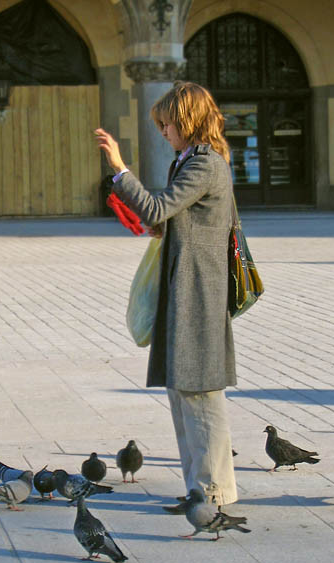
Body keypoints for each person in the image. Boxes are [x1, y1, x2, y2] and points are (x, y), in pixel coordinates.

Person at [95, 81, 237, 508]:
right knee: (183, 391)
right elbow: (176, 216)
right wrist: (169, 227)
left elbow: (157, 207)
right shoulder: (190, 160)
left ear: (187, 121)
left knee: (199, 391)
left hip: (198, 292)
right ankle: (198, 486)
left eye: (166, 123)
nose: (163, 131)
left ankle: (213, 491)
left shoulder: (205, 163)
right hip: (186, 286)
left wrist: (120, 168)